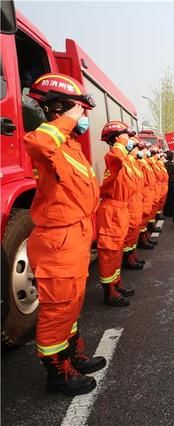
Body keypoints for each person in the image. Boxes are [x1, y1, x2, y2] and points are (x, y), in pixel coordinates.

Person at [24, 73, 104, 395]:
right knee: (58, 310)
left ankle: (72, 357)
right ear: (59, 108)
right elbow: (38, 141)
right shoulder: (49, 142)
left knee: (71, 304)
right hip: (58, 242)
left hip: (74, 238)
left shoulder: (70, 146)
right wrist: (65, 120)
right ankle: (58, 374)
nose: (83, 117)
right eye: (79, 110)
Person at [97, 121, 137, 307]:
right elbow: (116, 157)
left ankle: (116, 283)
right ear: (116, 139)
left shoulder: (125, 161)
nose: (130, 140)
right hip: (112, 212)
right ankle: (109, 294)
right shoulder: (114, 157)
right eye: (126, 136)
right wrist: (120, 144)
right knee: (109, 253)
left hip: (120, 211)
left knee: (117, 251)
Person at [121, 137, 146, 270]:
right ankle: (128, 260)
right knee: (130, 233)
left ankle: (132, 256)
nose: (141, 151)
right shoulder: (124, 162)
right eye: (138, 148)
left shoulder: (134, 163)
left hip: (136, 202)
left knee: (134, 232)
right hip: (130, 204)